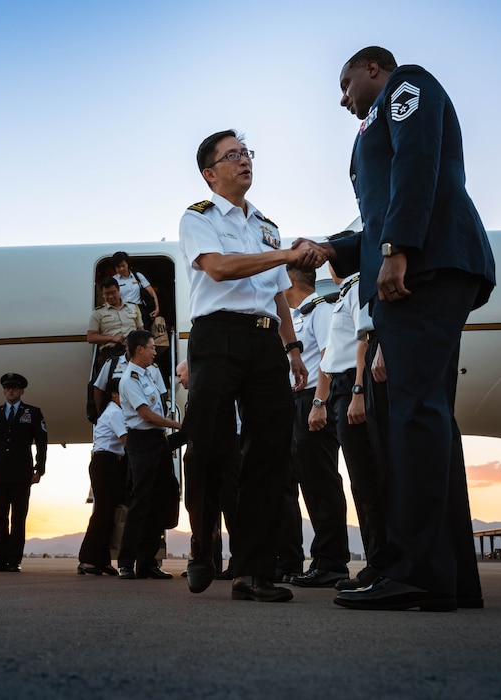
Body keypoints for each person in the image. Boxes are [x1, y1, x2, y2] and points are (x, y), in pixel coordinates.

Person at [294, 47, 496, 611]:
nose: (343, 97)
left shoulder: (406, 87)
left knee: (414, 417)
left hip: (423, 267)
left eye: (345, 82)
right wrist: (333, 248)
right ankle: (442, 572)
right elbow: (383, 209)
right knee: (423, 416)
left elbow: (416, 165)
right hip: (416, 266)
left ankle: (420, 574)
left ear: (373, 69)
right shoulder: (374, 125)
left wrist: (396, 249)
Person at [178, 128, 322, 602]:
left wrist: (294, 349)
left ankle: (252, 572)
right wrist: (282, 254)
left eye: (247, 154)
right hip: (217, 337)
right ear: (210, 173)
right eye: (232, 156)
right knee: (208, 445)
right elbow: (218, 268)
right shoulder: (196, 217)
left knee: (270, 454)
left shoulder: (266, 225)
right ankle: (203, 548)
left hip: (264, 344)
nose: (244, 161)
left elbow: (279, 294)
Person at [308, 271, 387, 591]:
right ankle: (375, 563)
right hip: (340, 389)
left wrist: (357, 392)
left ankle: (381, 563)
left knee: (369, 481)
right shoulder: (343, 294)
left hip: (352, 387)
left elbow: (363, 340)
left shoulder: (356, 288)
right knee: (361, 484)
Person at [283, 265, 351, 588]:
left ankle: (332, 562)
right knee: (309, 484)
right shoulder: (297, 316)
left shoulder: (321, 309)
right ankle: (321, 559)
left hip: (314, 402)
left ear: (290, 280)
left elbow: (329, 357)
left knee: (322, 483)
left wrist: (319, 403)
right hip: (299, 404)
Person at [116, 330, 182, 580]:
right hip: (142, 442)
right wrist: (179, 427)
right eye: (152, 347)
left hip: (158, 442)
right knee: (141, 502)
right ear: (139, 349)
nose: (156, 351)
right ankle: (126, 562)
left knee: (161, 500)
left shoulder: (150, 375)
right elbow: (146, 415)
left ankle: (148, 562)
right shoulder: (129, 379)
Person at [175, 358, 238, 580]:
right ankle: (211, 560)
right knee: (208, 510)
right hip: (206, 454)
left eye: (180, 374)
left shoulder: (214, 392)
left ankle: (234, 564)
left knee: (231, 508)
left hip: (225, 452)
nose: (178, 380)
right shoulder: (196, 395)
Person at [0, 373, 48, 573]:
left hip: (22, 473)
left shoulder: (33, 413)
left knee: (18, 518)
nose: (11, 391)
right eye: (8, 388)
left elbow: (42, 443)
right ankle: (0, 560)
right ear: (4, 391)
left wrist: (39, 469)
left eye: (15, 388)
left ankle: (14, 560)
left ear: (21, 391)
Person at [78, 378, 127, 576]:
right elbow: (127, 440)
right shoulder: (114, 413)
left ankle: (102, 559)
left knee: (109, 513)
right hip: (105, 462)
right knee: (102, 512)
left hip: (111, 462)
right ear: (114, 394)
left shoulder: (116, 412)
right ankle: (87, 559)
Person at [87, 277, 144, 374]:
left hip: (133, 353)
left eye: (113, 292)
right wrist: (112, 338)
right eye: (107, 294)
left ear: (119, 290)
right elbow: (91, 337)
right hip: (110, 353)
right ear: (103, 294)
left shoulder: (133, 307)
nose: (110, 296)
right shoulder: (98, 312)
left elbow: (141, 331)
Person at [111, 251, 160, 322]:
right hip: (122, 312)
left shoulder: (138, 276)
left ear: (127, 264)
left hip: (139, 311)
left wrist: (157, 308)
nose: (121, 269)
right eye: (118, 267)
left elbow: (151, 292)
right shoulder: (113, 280)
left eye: (123, 265)